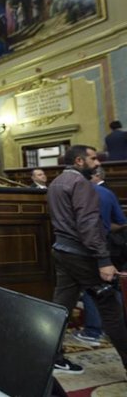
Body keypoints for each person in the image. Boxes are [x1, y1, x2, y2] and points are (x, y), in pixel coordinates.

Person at [47, 145, 127, 374]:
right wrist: (103, 259)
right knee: (111, 308)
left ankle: (52, 357)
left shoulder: (56, 182)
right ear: (80, 161)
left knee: (60, 308)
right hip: (81, 254)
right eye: (93, 159)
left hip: (61, 251)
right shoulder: (80, 184)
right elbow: (88, 224)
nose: (98, 163)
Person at [74, 166, 127, 346]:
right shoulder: (107, 193)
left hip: (84, 247)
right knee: (113, 286)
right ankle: (118, 330)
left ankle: (93, 330)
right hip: (110, 246)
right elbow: (121, 222)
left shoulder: (78, 193)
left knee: (91, 288)